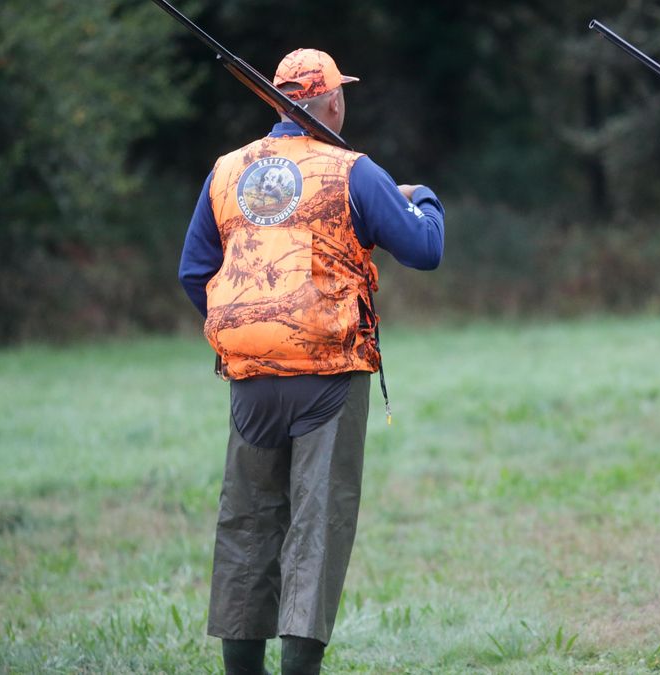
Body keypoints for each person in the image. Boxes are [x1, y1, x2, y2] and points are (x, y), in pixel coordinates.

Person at [178, 48, 445, 675]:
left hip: (251, 381)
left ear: (276, 101)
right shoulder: (352, 170)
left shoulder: (226, 171)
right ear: (329, 101)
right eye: (340, 93)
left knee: (246, 526)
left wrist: (251, 327)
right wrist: (422, 196)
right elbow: (425, 249)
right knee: (315, 527)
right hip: (328, 376)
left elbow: (196, 273)